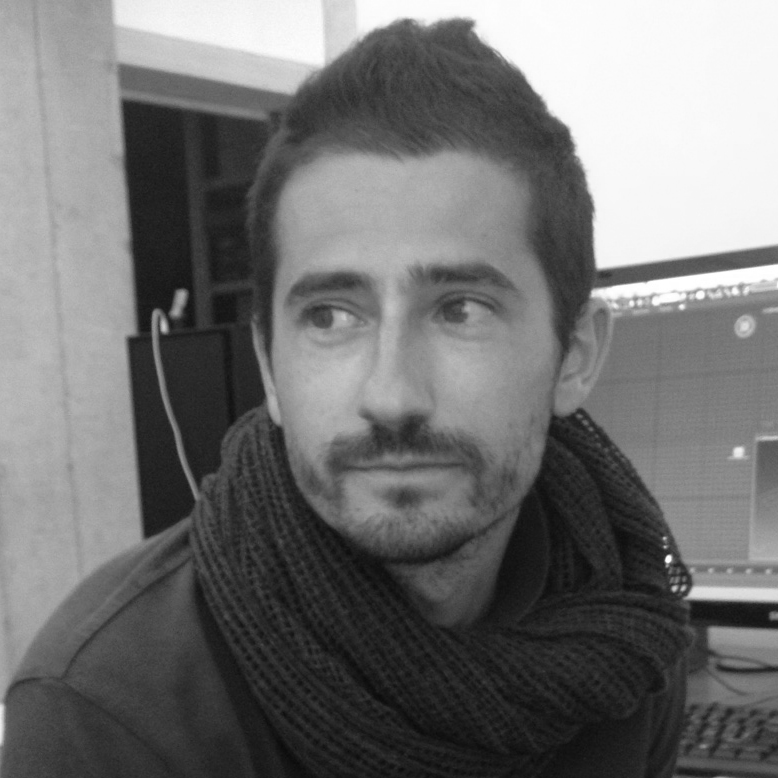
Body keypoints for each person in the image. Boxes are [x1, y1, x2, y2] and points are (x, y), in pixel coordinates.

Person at [1, 17, 691, 778]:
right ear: (269, 366)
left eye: (461, 309)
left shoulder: (627, 642)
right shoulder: (110, 710)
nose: (392, 397)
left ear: (576, 355)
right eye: (331, 316)